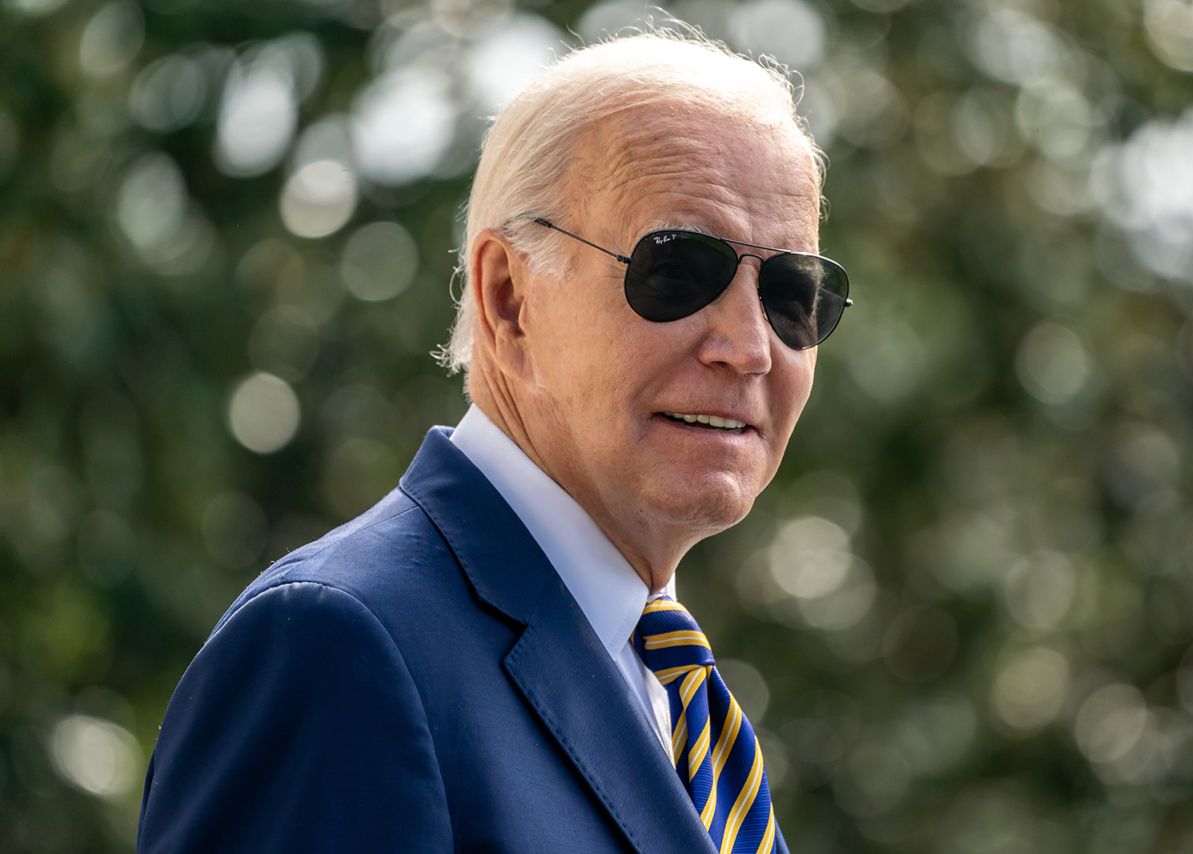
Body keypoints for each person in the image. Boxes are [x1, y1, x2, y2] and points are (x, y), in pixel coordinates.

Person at [137, 28, 850, 854]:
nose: (751, 346)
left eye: (793, 293)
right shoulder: (336, 648)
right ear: (509, 298)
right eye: (679, 271)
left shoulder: (677, 697)